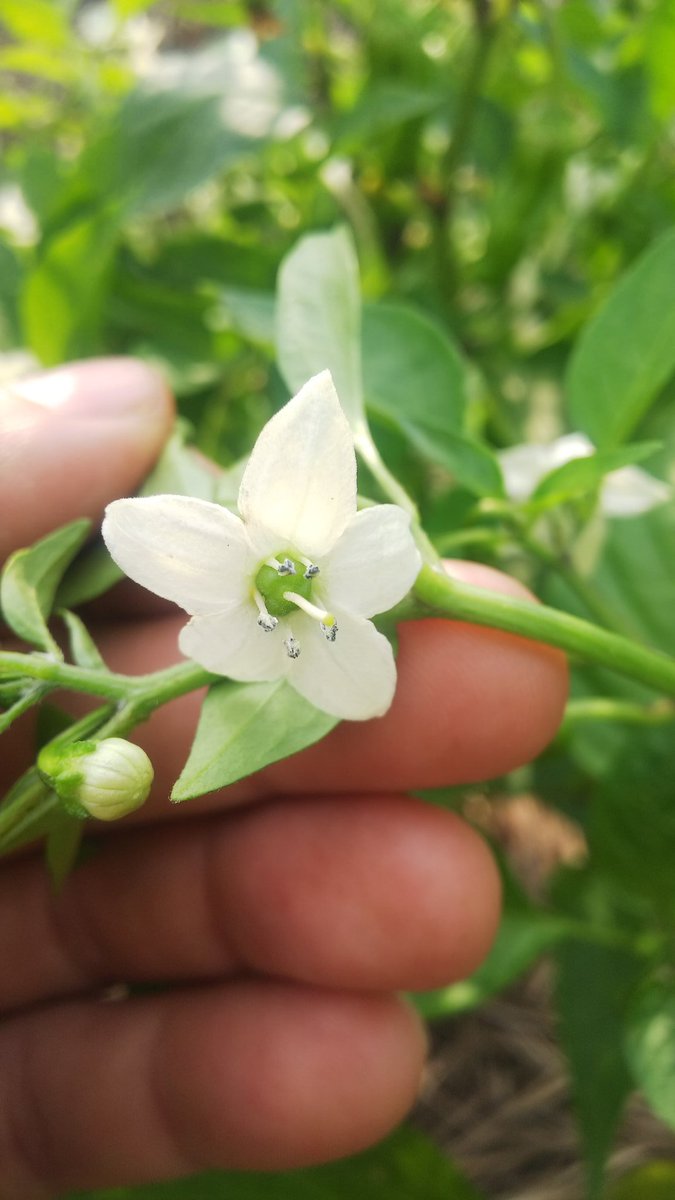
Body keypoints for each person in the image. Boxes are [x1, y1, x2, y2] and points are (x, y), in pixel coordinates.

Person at [0, 358, 568, 1198]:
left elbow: (355, 658)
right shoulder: (239, 587)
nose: (280, 577)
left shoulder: (337, 565)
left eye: (284, 574)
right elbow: (179, 575)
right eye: (275, 577)